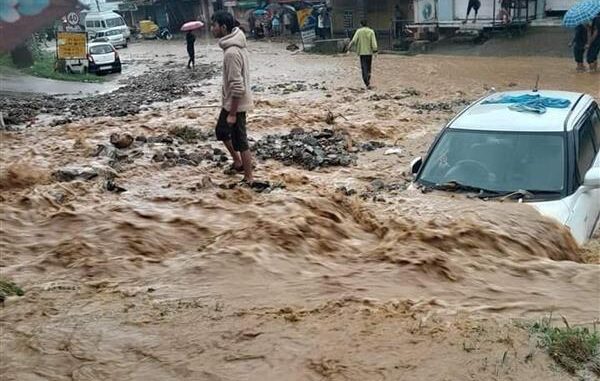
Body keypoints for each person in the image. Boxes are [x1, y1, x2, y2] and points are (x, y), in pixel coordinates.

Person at [211, 11, 255, 184]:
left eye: (214, 25)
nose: (212, 29)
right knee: (221, 131)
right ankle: (237, 162)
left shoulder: (231, 52)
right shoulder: (235, 45)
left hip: (236, 104)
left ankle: (249, 177)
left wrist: (233, 113)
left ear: (223, 27)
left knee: (240, 140)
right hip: (230, 102)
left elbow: (237, 87)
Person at [347, 20, 378, 89]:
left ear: (360, 24)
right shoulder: (371, 31)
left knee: (364, 68)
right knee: (369, 67)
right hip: (369, 53)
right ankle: (368, 81)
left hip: (362, 52)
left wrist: (349, 47)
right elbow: (374, 42)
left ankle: (366, 82)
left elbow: (354, 40)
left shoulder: (359, 31)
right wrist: (375, 51)